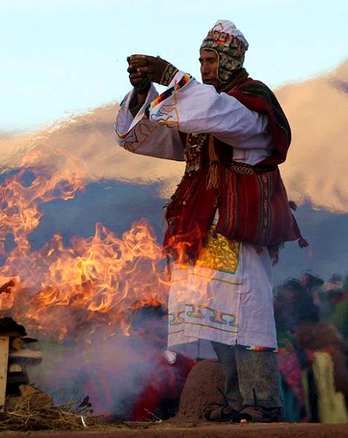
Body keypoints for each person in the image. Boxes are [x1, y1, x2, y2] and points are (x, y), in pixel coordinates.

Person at [115, 20, 306, 422]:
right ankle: (237, 402)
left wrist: (170, 76)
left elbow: (223, 117)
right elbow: (159, 135)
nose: (203, 67)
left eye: (209, 59)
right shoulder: (208, 109)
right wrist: (141, 93)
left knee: (248, 314)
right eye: (200, 60)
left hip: (236, 225)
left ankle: (263, 402)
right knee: (214, 314)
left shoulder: (251, 102)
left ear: (230, 60)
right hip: (200, 227)